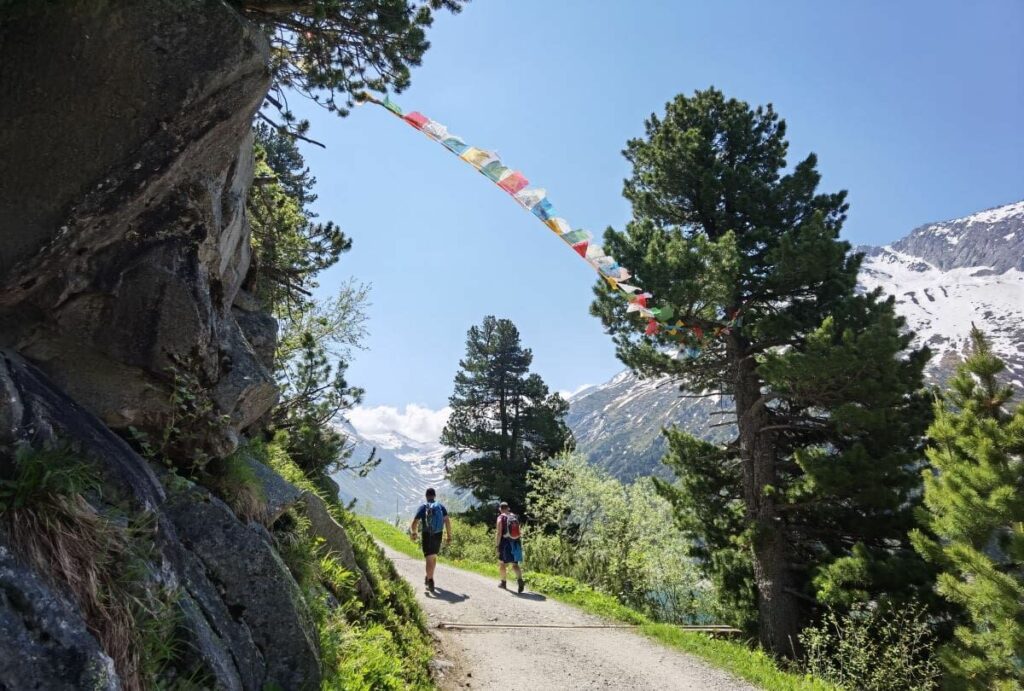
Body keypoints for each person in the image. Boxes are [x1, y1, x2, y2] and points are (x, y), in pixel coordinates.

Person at [410, 488, 451, 592]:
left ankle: (430, 580)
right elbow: (447, 521)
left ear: (426, 496)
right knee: (433, 557)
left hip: (427, 534)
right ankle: (429, 576)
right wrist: (449, 536)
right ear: (434, 496)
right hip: (438, 534)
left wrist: (414, 532)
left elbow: (415, 521)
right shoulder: (441, 507)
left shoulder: (423, 507)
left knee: (429, 558)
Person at [496, 501, 524, 593]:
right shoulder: (514, 516)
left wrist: (497, 545)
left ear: (500, 509)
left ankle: (503, 583)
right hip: (515, 542)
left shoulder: (500, 517)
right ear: (508, 508)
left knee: (502, 563)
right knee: (515, 564)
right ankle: (520, 580)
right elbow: (519, 531)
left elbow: (499, 533)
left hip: (505, 543)